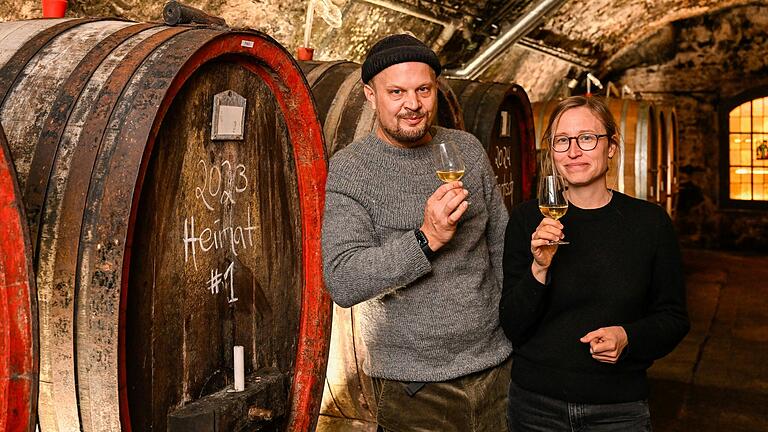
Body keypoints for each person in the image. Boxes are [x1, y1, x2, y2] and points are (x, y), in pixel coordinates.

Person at [322, 34, 511, 431]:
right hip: (414, 384)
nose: (413, 104)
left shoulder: (467, 150)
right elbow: (344, 278)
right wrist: (425, 239)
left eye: (423, 89)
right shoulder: (352, 168)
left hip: (496, 368)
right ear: (370, 95)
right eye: (397, 92)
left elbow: (503, 247)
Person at [500, 95, 690, 431]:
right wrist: (539, 269)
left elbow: (674, 318)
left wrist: (628, 336)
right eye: (562, 141)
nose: (574, 151)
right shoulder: (527, 219)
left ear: (612, 147)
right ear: (552, 151)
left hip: (617, 409)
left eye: (587, 138)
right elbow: (512, 325)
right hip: (536, 407)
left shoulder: (649, 223)